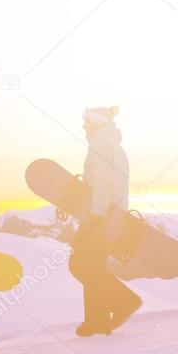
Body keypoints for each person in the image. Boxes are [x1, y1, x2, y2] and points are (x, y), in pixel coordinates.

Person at [69, 106, 143, 337]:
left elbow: (103, 179)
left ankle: (124, 301)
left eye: (87, 122)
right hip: (113, 212)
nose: (83, 127)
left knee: (79, 264)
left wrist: (96, 213)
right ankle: (96, 321)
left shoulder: (100, 143)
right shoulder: (114, 145)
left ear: (96, 123)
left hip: (102, 213)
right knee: (91, 265)